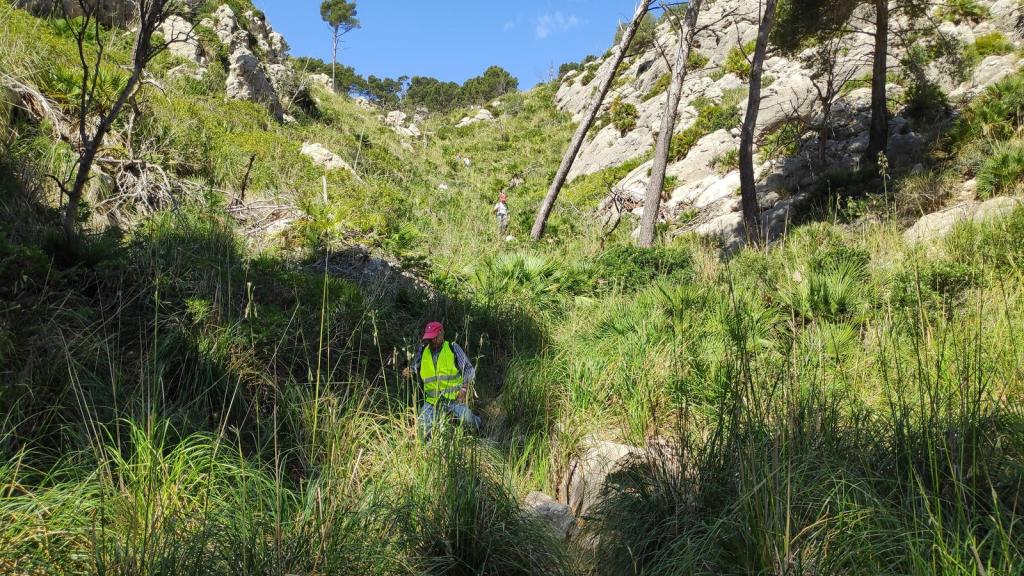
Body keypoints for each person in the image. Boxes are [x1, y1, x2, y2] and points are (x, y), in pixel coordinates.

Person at [405, 321, 481, 440]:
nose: (431, 341)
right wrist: (409, 370)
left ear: (442, 334)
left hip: (454, 398)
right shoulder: (423, 350)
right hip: (431, 401)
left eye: (434, 337)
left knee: (469, 420)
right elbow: (414, 366)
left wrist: (464, 388)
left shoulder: (452, 347)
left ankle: (479, 424)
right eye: (429, 338)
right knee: (422, 430)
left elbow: (468, 369)